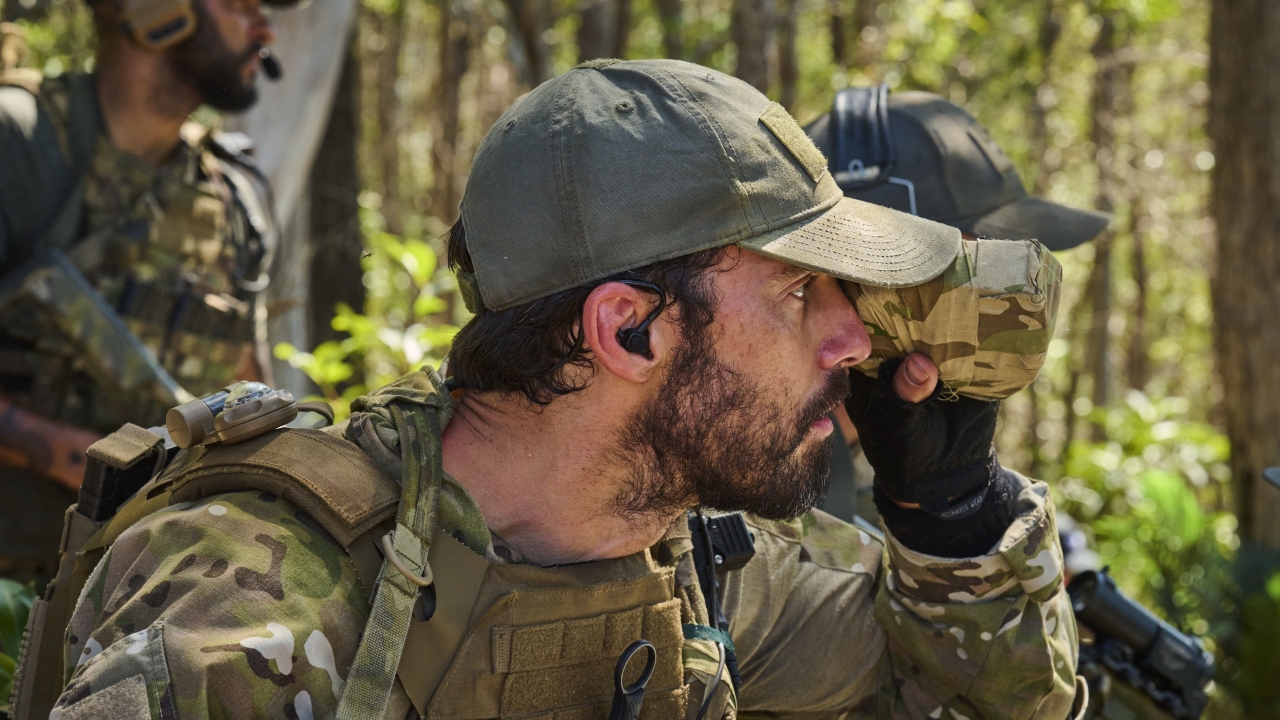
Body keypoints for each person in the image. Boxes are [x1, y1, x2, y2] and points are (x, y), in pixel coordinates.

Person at [38, 60, 1076, 719]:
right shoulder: (257, 605)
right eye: (801, 292)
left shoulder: (689, 563)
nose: (850, 340)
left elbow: (963, 700)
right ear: (626, 326)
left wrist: (950, 517)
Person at [0, 0, 291, 587]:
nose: (264, 28)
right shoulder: (21, 145)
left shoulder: (233, 202)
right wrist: (80, 458)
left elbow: (244, 395)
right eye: (241, 4)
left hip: (138, 597)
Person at [803, 87, 1111, 525]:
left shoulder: (898, 451)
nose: (994, 298)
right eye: (975, 268)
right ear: (874, 272)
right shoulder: (756, 476)